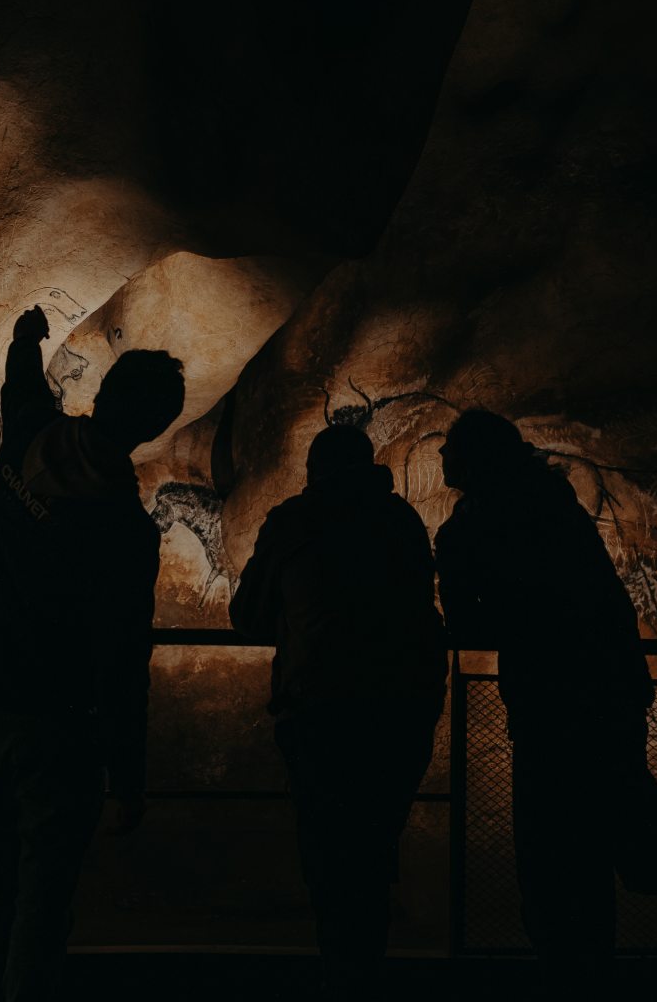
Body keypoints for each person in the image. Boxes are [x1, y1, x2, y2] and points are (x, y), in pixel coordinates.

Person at [0, 305, 185, 1002]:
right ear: (154, 429)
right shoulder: (125, 533)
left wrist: (29, 335)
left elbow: (21, 381)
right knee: (44, 898)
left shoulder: (29, 435)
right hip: (56, 725)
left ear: (103, 393)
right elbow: (122, 663)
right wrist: (129, 774)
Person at [433, 409, 652, 972]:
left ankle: (560, 966)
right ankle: (591, 964)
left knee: (548, 847)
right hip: (611, 692)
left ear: (474, 461)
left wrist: (450, 561)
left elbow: (472, 625)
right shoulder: (554, 505)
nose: (440, 455)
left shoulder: (478, 525)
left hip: (549, 705)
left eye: (451, 447)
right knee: (594, 845)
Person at [230, 424, 446, 997]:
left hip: (322, 709)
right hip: (403, 709)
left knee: (329, 854)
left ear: (314, 471)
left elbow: (246, 615)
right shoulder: (401, 521)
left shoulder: (295, 520)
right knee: (373, 847)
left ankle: (342, 975)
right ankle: (364, 971)